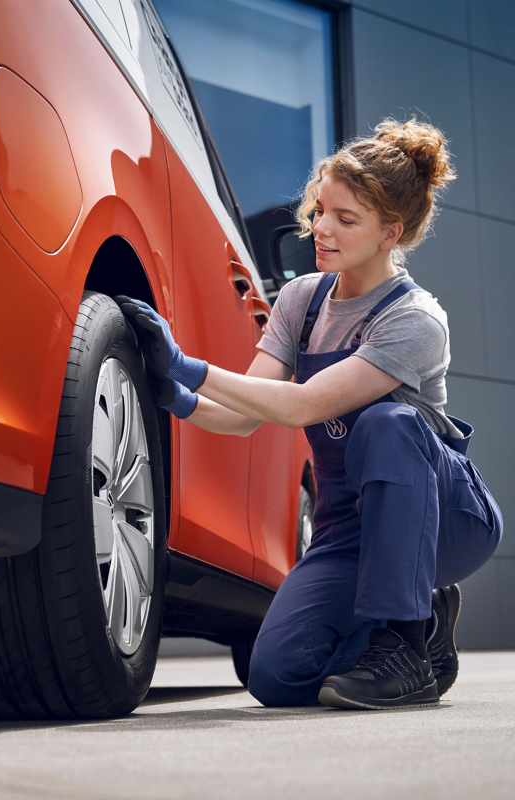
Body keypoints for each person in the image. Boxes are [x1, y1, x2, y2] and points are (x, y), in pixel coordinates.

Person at [116, 115, 503, 710]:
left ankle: (401, 644)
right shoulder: (302, 299)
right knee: (277, 678)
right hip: (350, 527)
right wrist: (177, 397)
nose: (321, 228)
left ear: (389, 233)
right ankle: (423, 627)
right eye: (320, 210)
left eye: (345, 219)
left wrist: (188, 364)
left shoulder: (414, 319)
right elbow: (245, 412)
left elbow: (302, 406)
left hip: (442, 517)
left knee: (386, 422)